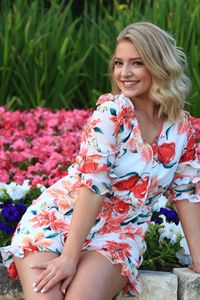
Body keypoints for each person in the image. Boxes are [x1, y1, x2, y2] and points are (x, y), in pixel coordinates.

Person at [0, 21, 200, 300]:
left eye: (137, 63)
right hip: (55, 222)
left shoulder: (183, 129)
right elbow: (93, 185)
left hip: (118, 236)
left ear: (159, 65)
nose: (124, 73)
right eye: (119, 63)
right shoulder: (111, 113)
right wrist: (69, 256)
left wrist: (198, 258)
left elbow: (186, 193)